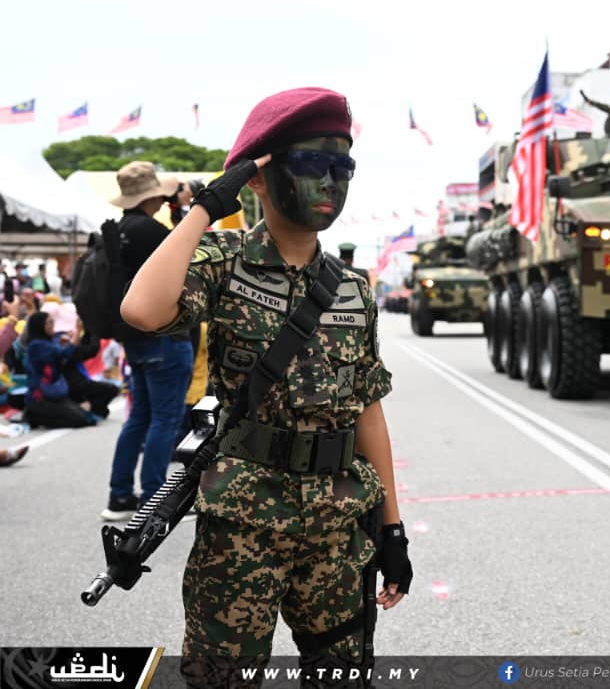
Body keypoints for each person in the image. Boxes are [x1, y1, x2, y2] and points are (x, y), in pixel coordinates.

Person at [120, 87, 411, 685]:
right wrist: (204, 207)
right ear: (255, 179)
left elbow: (369, 413)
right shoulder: (223, 261)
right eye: (310, 164)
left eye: (342, 167)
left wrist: (392, 527)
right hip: (242, 527)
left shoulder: (354, 289)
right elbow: (143, 311)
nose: (330, 181)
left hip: (338, 526)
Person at [100, 161, 193, 523]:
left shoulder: (118, 229)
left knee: (139, 416)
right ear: (151, 195)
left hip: (133, 336)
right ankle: (153, 500)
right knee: (165, 419)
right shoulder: (152, 232)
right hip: (164, 336)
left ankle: (119, 494)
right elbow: (188, 262)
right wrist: (184, 211)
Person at [22, 312, 118, 427]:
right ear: (39, 325)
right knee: (80, 420)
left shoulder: (51, 342)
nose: (52, 325)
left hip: (59, 392)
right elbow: (65, 353)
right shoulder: (37, 345)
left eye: (53, 322)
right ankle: (36, 417)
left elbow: (84, 350)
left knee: (88, 419)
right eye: (49, 322)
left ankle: (84, 408)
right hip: (42, 397)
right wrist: (77, 333)